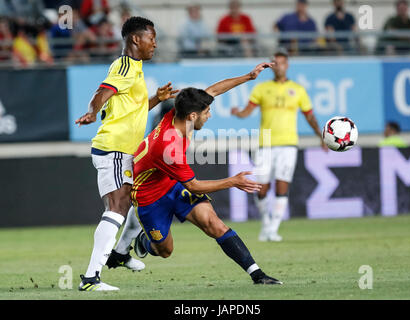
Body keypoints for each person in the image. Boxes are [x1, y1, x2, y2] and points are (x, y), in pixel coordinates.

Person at [131, 62, 282, 285]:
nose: (209, 115)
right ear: (193, 115)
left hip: (172, 183)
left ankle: (257, 275)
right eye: (207, 112)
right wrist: (232, 181)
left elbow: (213, 91)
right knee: (164, 250)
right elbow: (193, 185)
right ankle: (144, 242)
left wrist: (249, 76)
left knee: (214, 224)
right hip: (149, 196)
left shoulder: (180, 112)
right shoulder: (169, 147)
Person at [75, 17, 178, 291]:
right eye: (151, 37)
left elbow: (133, 108)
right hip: (115, 149)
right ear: (136, 39)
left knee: (133, 201)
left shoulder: (136, 69)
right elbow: (103, 91)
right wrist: (92, 111)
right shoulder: (124, 65)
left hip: (126, 150)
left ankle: (119, 254)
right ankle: (91, 278)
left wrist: (155, 98)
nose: (154, 43)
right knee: (118, 207)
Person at [231, 51, 327, 242]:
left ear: (287, 65)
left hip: (288, 144)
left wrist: (320, 136)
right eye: (276, 63)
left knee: (282, 186)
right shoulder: (261, 88)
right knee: (262, 188)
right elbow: (247, 112)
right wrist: (238, 113)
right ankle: (266, 223)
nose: (279, 66)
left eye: (282, 63)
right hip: (265, 144)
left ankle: (273, 229)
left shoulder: (298, 89)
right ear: (272, 66)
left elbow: (309, 116)